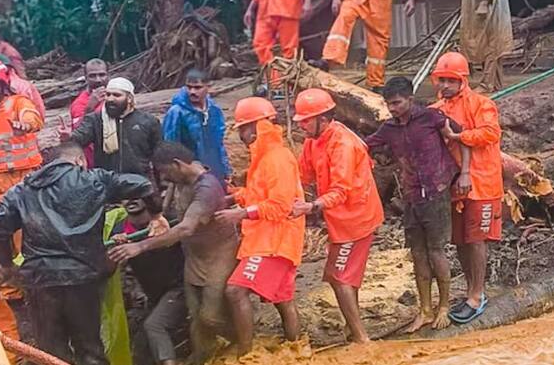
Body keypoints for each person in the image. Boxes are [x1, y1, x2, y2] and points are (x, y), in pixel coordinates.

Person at [0, 142, 166, 365]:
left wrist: (6, 264)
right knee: (90, 348)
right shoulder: (94, 180)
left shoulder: (23, 189)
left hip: (40, 279)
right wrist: (157, 214)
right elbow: (141, 184)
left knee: (50, 352)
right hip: (83, 277)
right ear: (79, 161)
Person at [108, 142, 239, 365]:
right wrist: (154, 221)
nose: (165, 179)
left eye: (167, 173)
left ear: (178, 165)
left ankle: (242, 340)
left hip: (218, 256)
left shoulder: (206, 187)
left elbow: (186, 227)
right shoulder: (178, 181)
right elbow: (164, 211)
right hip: (193, 258)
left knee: (210, 316)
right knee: (196, 317)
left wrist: (140, 246)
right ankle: (200, 358)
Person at [365, 77, 471, 332]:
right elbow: (365, 145)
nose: (392, 109)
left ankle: (443, 306)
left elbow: (463, 138)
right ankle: (424, 309)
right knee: (417, 254)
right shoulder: (389, 128)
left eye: (397, 103)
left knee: (436, 251)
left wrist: (465, 173)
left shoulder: (431, 117)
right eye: (388, 104)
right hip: (412, 195)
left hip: (437, 191)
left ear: (410, 99)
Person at [213, 97, 305, 357]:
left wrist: (240, 213)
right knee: (282, 299)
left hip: (275, 241)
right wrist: (235, 195)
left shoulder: (276, 158)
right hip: (270, 237)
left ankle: (246, 354)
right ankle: (296, 348)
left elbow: (279, 206)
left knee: (235, 291)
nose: (241, 134)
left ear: (255, 126)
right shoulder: (264, 156)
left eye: (242, 128)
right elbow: (259, 193)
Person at [291, 88, 383, 343]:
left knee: (339, 277)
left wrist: (312, 207)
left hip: (356, 218)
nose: (302, 126)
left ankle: (362, 339)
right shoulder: (313, 141)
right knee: (340, 276)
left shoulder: (343, 143)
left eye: (306, 120)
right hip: (340, 218)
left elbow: (341, 190)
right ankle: (353, 328)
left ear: (323, 118)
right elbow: (303, 174)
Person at [429, 52, 504, 324]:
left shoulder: (481, 104)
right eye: (442, 80)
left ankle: (477, 294)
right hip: (454, 186)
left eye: (451, 80)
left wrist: (460, 136)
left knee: (476, 240)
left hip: (482, 184)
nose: (445, 85)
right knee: (460, 239)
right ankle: (472, 289)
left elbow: (490, 133)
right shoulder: (436, 109)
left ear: (462, 80)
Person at [313, 0, 415, 92]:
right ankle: (328, 60)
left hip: (380, 0)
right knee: (345, 17)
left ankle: (376, 83)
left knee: (378, 41)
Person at [110, 199, 186, 365]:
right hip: (152, 295)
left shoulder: (168, 219)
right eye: (125, 195)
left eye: (137, 194)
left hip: (180, 288)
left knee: (154, 325)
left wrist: (142, 244)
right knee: (140, 346)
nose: (131, 200)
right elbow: (109, 266)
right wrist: (118, 249)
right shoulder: (120, 230)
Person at [63, 77, 162, 179]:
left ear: (129, 98)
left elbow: (158, 155)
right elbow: (80, 138)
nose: (110, 99)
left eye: (117, 95)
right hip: (106, 182)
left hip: (139, 181)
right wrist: (69, 137)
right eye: (108, 94)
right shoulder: (96, 120)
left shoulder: (148, 121)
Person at [162, 69, 231, 183]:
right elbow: (170, 145)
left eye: (197, 87)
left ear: (208, 87)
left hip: (214, 169)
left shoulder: (214, 110)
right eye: (189, 87)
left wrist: (225, 169)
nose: (192, 92)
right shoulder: (176, 112)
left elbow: (219, 143)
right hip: (190, 174)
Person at [461, 0, 513, 91]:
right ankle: (495, 82)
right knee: (485, 42)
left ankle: (488, 83)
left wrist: (485, 0)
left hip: (487, 3)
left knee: (491, 42)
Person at [0, 57, 43, 209]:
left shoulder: (18, 103)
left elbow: (32, 117)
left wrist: (26, 125)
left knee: (20, 227)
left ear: (2, 83)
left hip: (20, 180)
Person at [69, 58, 110, 168]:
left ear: (108, 75)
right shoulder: (79, 103)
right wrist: (89, 108)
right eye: (93, 76)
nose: (98, 80)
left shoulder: (116, 96)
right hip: (93, 161)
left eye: (102, 75)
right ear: (86, 78)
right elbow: (78, 133)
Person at [0, 53, 45, 118]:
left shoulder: (19, 91)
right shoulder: (25, 84)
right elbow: (40, 109)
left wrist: (28, 121)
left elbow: (33, 112)